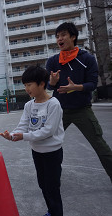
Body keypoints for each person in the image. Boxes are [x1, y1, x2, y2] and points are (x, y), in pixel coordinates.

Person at [46, 22, 112, 183]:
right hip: (59, 110)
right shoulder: (53, 61)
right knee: (49, 143)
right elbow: (48, 86)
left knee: (99, 144)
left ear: (73, 37)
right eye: (57, 36)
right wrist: (52, 83)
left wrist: (77, 87)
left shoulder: (87, 58)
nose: (59, 39)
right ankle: (51, 180)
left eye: (63, 35)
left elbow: (93, 83)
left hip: (82, 109)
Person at [0, 65, 64, 216]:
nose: (27, 89)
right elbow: (23, 126)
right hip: (37, 152)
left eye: (29, 85)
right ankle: (51, 211)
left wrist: (24, 136)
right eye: (25, 85)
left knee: (52, 187)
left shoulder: (53, 104)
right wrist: (12, 135)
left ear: (41, 84)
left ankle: (56, 213)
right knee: (43, 185)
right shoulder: (29, 105)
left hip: (52, 152)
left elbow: (48, 131)